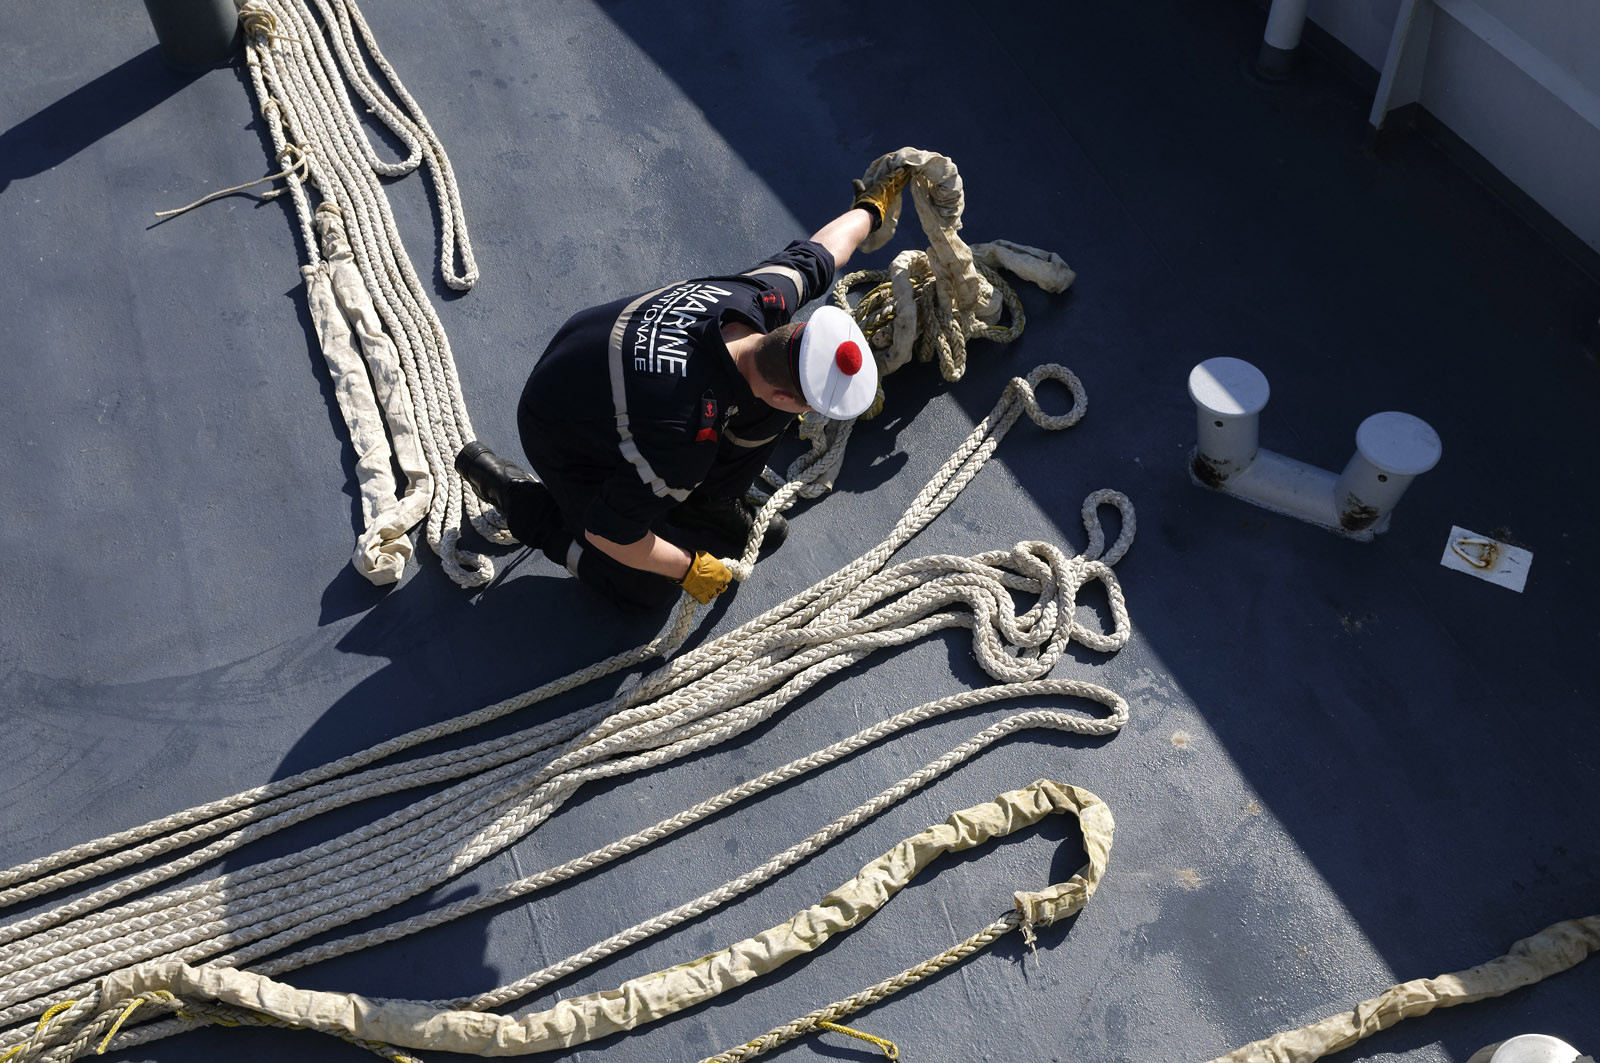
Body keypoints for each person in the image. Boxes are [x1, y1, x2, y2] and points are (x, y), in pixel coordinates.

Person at [457, 167, 912, 610]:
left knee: (769, 416)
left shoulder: (761, 300)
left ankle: (705, 503)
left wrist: (871, 208)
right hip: (560, 426)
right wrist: (688, 568)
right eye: (806, 404)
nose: (807, 413)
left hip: (593, 362)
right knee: (645, 589)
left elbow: (825, 251)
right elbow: (610, 532)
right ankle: (521, 500)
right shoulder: (683, 439)